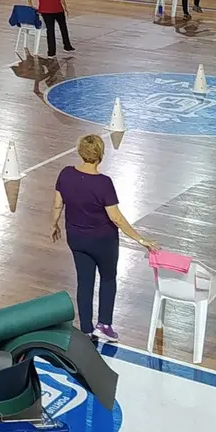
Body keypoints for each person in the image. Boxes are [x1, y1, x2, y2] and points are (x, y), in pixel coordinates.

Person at [51, 134, 156, 343]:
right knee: (108, 279)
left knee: (84, 281)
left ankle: (86, 329)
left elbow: (57, 204)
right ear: (100, 155)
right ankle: (104, 326)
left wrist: (54, 224)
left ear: (80, 152)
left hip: (77, 238)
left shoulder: (65, 174)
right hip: (103, 241)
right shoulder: (104, 183)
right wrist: (140, 239)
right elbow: (115, 217)